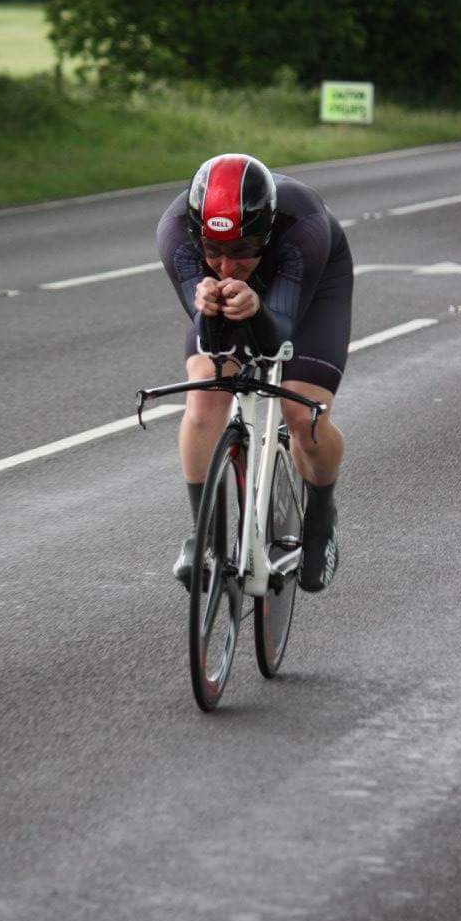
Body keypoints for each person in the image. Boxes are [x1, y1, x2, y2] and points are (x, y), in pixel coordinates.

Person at [157, 153, 353, 593]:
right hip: (248, 295)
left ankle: (321, 518)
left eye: (242, 251)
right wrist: (205, 302)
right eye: (213, 252)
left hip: (310, 289)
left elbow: (278, 334)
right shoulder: (175, 232)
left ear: (264, 233)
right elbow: (210, 334)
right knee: (205, 395)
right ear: (196, 237)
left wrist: (258, 307)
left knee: (304, 412)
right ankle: (203, 537)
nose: (226, 266)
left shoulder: (302, 225)